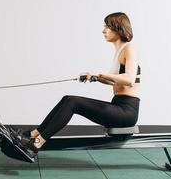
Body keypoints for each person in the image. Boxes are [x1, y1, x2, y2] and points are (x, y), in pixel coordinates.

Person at [13, 12, 141, 156]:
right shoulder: (119, 51)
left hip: (127, 112)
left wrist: (99, 75)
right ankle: (34, 133)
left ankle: (37, 143)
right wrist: (94, 77)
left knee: (73, 102)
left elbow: (129, 79)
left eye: (108, 27)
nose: (103, 30)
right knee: (68, 99)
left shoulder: (129, 49)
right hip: (118, 105)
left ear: (118, 28)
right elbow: (115, 80)